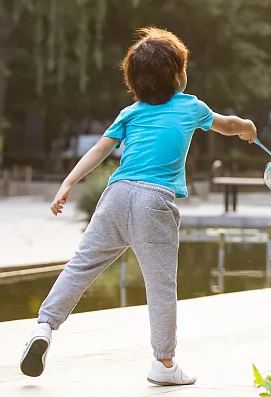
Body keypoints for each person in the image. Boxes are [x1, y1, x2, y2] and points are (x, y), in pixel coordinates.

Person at [19, 27, 257, 385]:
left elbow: (100, 150)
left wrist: (68, 183)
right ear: (179, 76)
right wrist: (247, 127)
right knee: (161, 285)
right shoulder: (192, 106)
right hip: (154, 202)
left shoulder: (130, 112)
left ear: (135, 82)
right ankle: (163, 365)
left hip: (116, 196)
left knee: (81, 266)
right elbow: (227, 126)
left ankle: (44, 327)